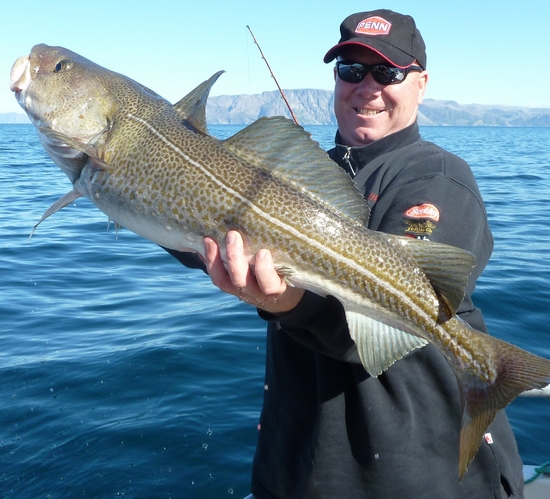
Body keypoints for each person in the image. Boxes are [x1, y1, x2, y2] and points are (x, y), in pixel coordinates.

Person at [169, 9, 525, 499]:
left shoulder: (438, 179)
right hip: (293, 470)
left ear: (421, 83)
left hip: (413, 477)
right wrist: (139, 187)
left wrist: (289, 303)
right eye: (351, 70)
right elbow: (208, 228)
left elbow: (391, 321)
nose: (367, 86)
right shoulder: (302, 177)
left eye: (388, 72)